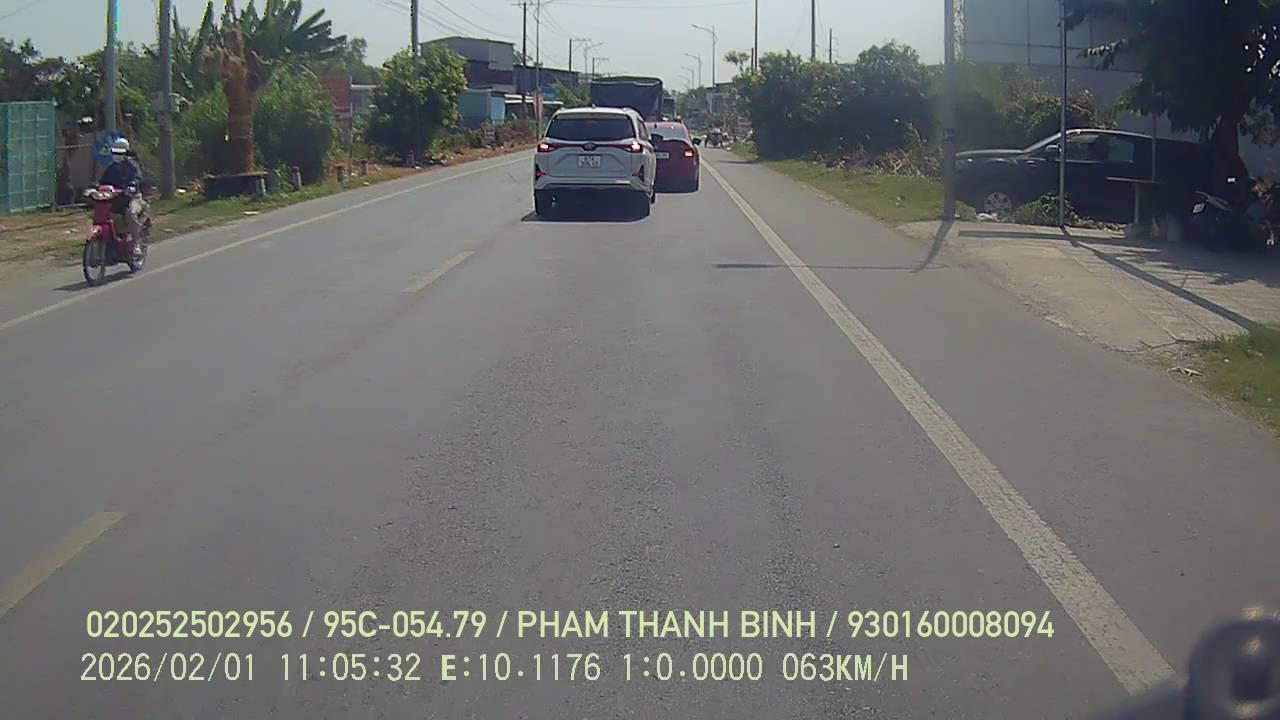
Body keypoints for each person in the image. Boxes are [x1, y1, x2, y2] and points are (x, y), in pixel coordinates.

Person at [97, 138, 145, 245]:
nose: (117, 155)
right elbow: (103, 181)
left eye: (120, 153)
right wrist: (95, 187)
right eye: (115, 152)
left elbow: (137, 177)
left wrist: (132, 186)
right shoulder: (111, 168)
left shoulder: (132, 166)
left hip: (132, 198)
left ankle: (136, 242)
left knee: (130, 214)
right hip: (115, 198)